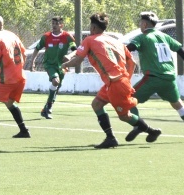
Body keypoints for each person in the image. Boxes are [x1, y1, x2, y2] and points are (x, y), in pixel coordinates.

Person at [61, 12, 161, 149]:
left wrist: (65, 65)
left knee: (125, 116)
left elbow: (78, 60)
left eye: (91, 27)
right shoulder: (115, 41)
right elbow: (132, 63)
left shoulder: (90, 39)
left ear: (94, 28)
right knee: (96, 104)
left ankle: (150, 130)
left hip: (116, 84)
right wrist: (126, 79)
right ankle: (110, 137)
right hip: (115, 82)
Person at [125, 11, 184, 142]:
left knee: (128, 99)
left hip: (152, 77)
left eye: (140, 22)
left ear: (144, 24)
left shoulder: (142, 37)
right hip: (169, 78)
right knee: (178, 104)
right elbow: (179, 49)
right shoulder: (164, 36)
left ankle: (138, 126)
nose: (140, 25)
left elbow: (130, 48)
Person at [28, 16, 76, 120]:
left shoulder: (67, 36)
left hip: (62, 66)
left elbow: (75, 50)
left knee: (56, 88)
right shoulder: (46, 37)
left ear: (61, 25)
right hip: (49, 64)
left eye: (56, 24)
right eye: (53, 24)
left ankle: (45, 109)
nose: (54, 26)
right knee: (55, 81)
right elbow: (36, 49)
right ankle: (49, 108)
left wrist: (69, 56)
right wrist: (32, 62)